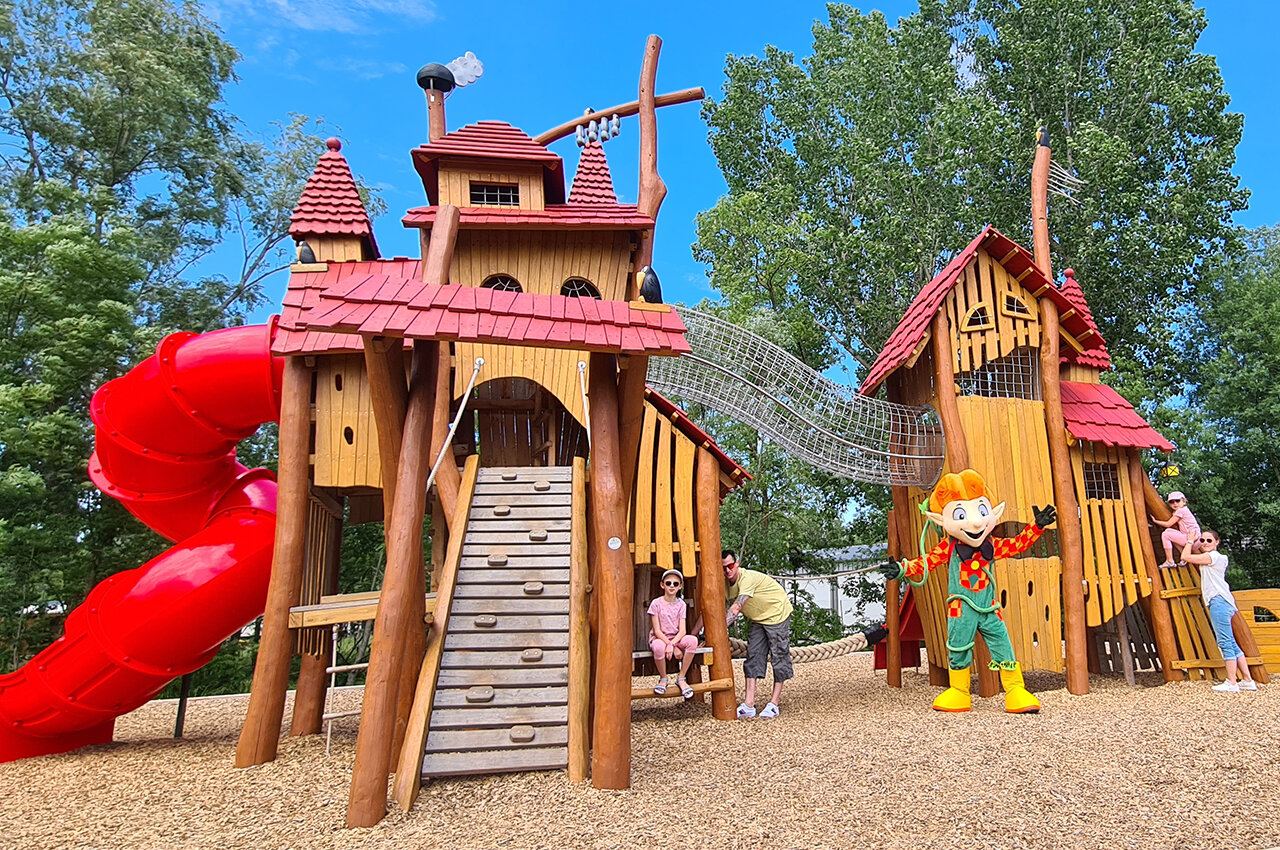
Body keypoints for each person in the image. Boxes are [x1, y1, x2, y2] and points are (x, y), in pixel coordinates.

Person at [886, 469, 1055, 713]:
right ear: (942, 519)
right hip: (960, 608)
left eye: (981, 511)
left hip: (989, 608)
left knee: (1002, 644)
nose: (976, 522)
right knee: (958, 645)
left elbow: (1017, 544)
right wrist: (902, 569)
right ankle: (959, 691)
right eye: (962, 514)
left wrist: (1036, 527)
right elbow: (925, 563)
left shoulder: (992, 545)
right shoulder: (948, 548)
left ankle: (1016, 689)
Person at [1180, 531, 1258, 693]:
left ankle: (1231, 682)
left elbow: (1185, 557)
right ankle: (1247, 680)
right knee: (1231, 642)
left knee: (1224, 642)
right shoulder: (1217, 558)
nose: (1205, 542)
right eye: (1202, 540)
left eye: (1209, 540)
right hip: (1223, 602)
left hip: (1218, 601)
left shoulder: (1213, 557)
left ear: (1217, 542)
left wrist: (1189, 541)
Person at [722, 550, 793, 719]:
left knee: (779, 655)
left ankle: (774, 703)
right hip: (758, 618)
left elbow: (737, 607)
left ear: (737, 564)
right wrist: (699, 635)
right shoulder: (723, 583)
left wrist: (717, 632)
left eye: (730, 566)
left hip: (777, 614)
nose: (727, 571)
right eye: (723, 568)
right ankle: (749, 704)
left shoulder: (747, 578)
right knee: (753, 655)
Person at [648, 568, 698, 699]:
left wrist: (673, 645)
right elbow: (657, 630)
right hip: (660, 638)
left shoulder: (681, 604)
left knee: (692, 641)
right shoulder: (656, 604)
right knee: (658, 646)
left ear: (680, 586)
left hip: (676, 638)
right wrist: (670, 645)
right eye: (668, 583)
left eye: (675, 584)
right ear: (662, 584)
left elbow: (682, 631)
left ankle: (681, 677)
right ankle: (663, 678)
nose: (671, 586)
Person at [1153, 490, 1201, 569]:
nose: (1175, 503)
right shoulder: (1184, 510)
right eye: (1172, 502)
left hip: (1192, 539)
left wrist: (1155, 521)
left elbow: (1168, 524)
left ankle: (1169, 561)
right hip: (1194, 538)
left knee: (1165, 535)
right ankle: (1184, 557)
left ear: (1184, 501)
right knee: (1170, 532)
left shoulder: (1181, 511)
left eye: (1177, 501)